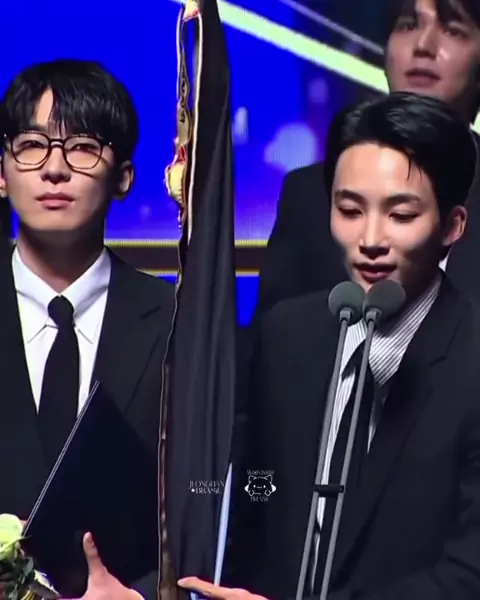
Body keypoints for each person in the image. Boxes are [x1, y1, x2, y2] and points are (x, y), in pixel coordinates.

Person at [177, 92, 480, 600]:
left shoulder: (471, 361)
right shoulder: (286, 335)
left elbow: (469, 572)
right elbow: (257, 500)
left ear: (452, 226)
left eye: (401, 215)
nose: (370, 239)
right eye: (350, 210)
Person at [0, 59, 174, 599]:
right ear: (1, 173)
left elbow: (206, 500)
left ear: (124, 177)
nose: (55, 169)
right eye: (32, 145)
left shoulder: (177, 321)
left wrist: (143, 595)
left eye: (82, 147)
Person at [257, 0, 480, 315]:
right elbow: (272, 337)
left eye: (452, 30)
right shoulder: (308, 194)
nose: (423, 45)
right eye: (408, 25)